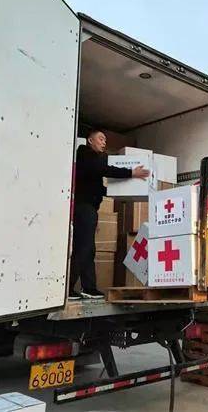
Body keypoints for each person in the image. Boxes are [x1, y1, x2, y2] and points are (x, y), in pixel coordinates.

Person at [69, 129, 149, 300]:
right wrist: (131, 173)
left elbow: (100, 188)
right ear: (90, 140)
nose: (104, 142)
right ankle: (69, 288)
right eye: (101, 138)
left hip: (89, 208)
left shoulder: (91, 163)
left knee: (87, 248)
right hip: (84, 208)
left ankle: (87, 287)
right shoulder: (86, 154)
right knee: (84, 248)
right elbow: (105, 169)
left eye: (105, 140)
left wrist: (124, 193)